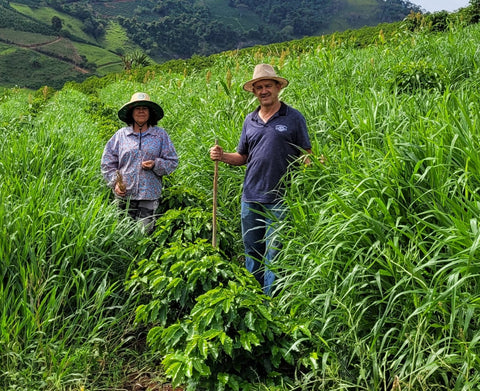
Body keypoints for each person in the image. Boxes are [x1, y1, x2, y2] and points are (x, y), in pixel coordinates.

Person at [210, 64, 312, 295]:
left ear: (278, 88)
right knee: (252, 252)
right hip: (251, 197)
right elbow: (243, 157)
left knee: (275, 254)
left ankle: (271, 303)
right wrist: (222, 156)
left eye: (268, 86)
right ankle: (252, 298)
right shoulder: (250, 120)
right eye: (259, 87)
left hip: (281, 198)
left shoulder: (293, 117)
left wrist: (316, 168)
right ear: (254, 92)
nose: (263, 91)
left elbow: (306, 154)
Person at [101, 92, 178, 233]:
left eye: (145, 108)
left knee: (144, 234)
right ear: (131, 113)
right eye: (137, 108)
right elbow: (107, 163)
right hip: (124, 194)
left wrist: (156, 164)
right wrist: (115, 182)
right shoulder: (120, 136)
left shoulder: (160, 135)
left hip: (149, 195)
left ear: (150, 113)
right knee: (122, 233)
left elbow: (172, 162)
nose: (141, 111)